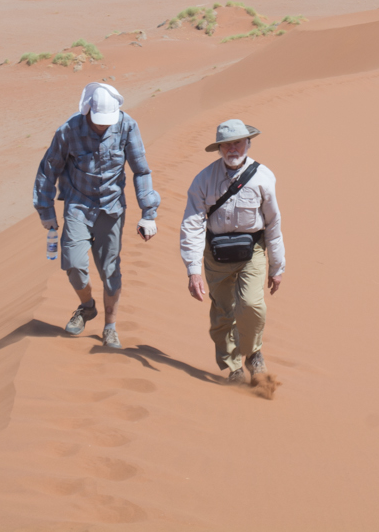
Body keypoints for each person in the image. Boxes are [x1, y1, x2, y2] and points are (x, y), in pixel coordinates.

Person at [34, 83, 159, 348]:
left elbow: (141, 171)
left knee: (110, 271)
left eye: (107, 122)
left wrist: (148, 213)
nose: (102, 126)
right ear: (87, 110)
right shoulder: (68, 130)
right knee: (74, 264)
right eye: (97, 121)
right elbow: (49, 169)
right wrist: (45, 209)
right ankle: (87, 306)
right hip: (78, 205)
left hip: (111, 209)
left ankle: (110, 327)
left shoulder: (127, 127)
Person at [180, 119, 285, 385]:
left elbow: (273, 224)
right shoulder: (204, 179)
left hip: (253, 252)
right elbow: (192, 223)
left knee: (252, 306)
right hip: (215, 254)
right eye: (226, 145)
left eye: (237, 142)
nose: (232, 149)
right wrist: (193, 271)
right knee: (222, 314)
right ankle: (233, 368)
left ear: (248, 143)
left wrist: (277, 267)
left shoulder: (263, 177)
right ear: (219, 148)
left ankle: (253, 353)